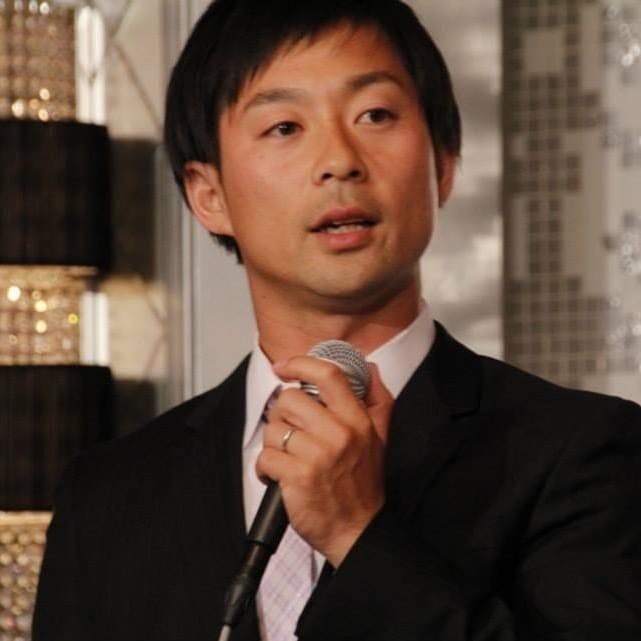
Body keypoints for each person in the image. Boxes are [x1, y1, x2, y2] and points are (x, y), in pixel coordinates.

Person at [33, 0, 641, 640]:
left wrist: (357, 532)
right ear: (209, 195)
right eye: (285, 127)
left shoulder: (585, 454)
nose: (340, 160)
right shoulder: (109, 496)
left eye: (375, 115)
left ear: (442, 164)